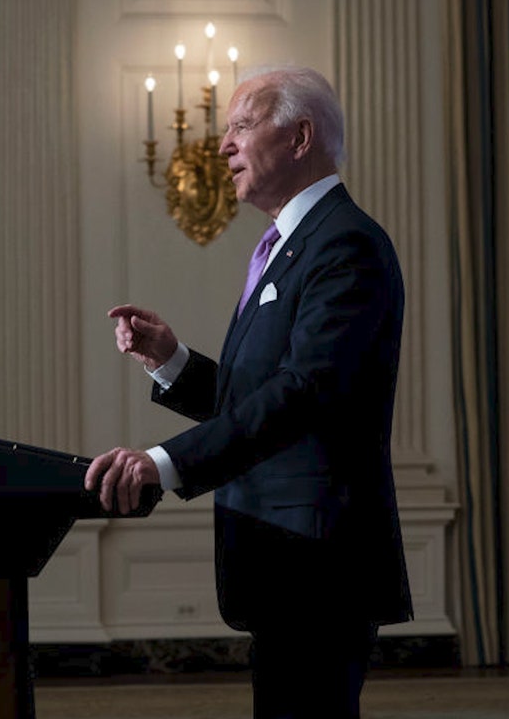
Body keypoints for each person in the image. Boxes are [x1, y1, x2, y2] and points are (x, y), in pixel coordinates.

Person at [84, 66, 412, 719]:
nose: (223, 145)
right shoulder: (289, 245)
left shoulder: (344, 244)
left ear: (300, 137)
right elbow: (257, 397)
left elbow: (304, 394)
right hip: (279, 561)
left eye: (240, 126)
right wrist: (172, 361)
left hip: (318, 565)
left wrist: (163, 462)